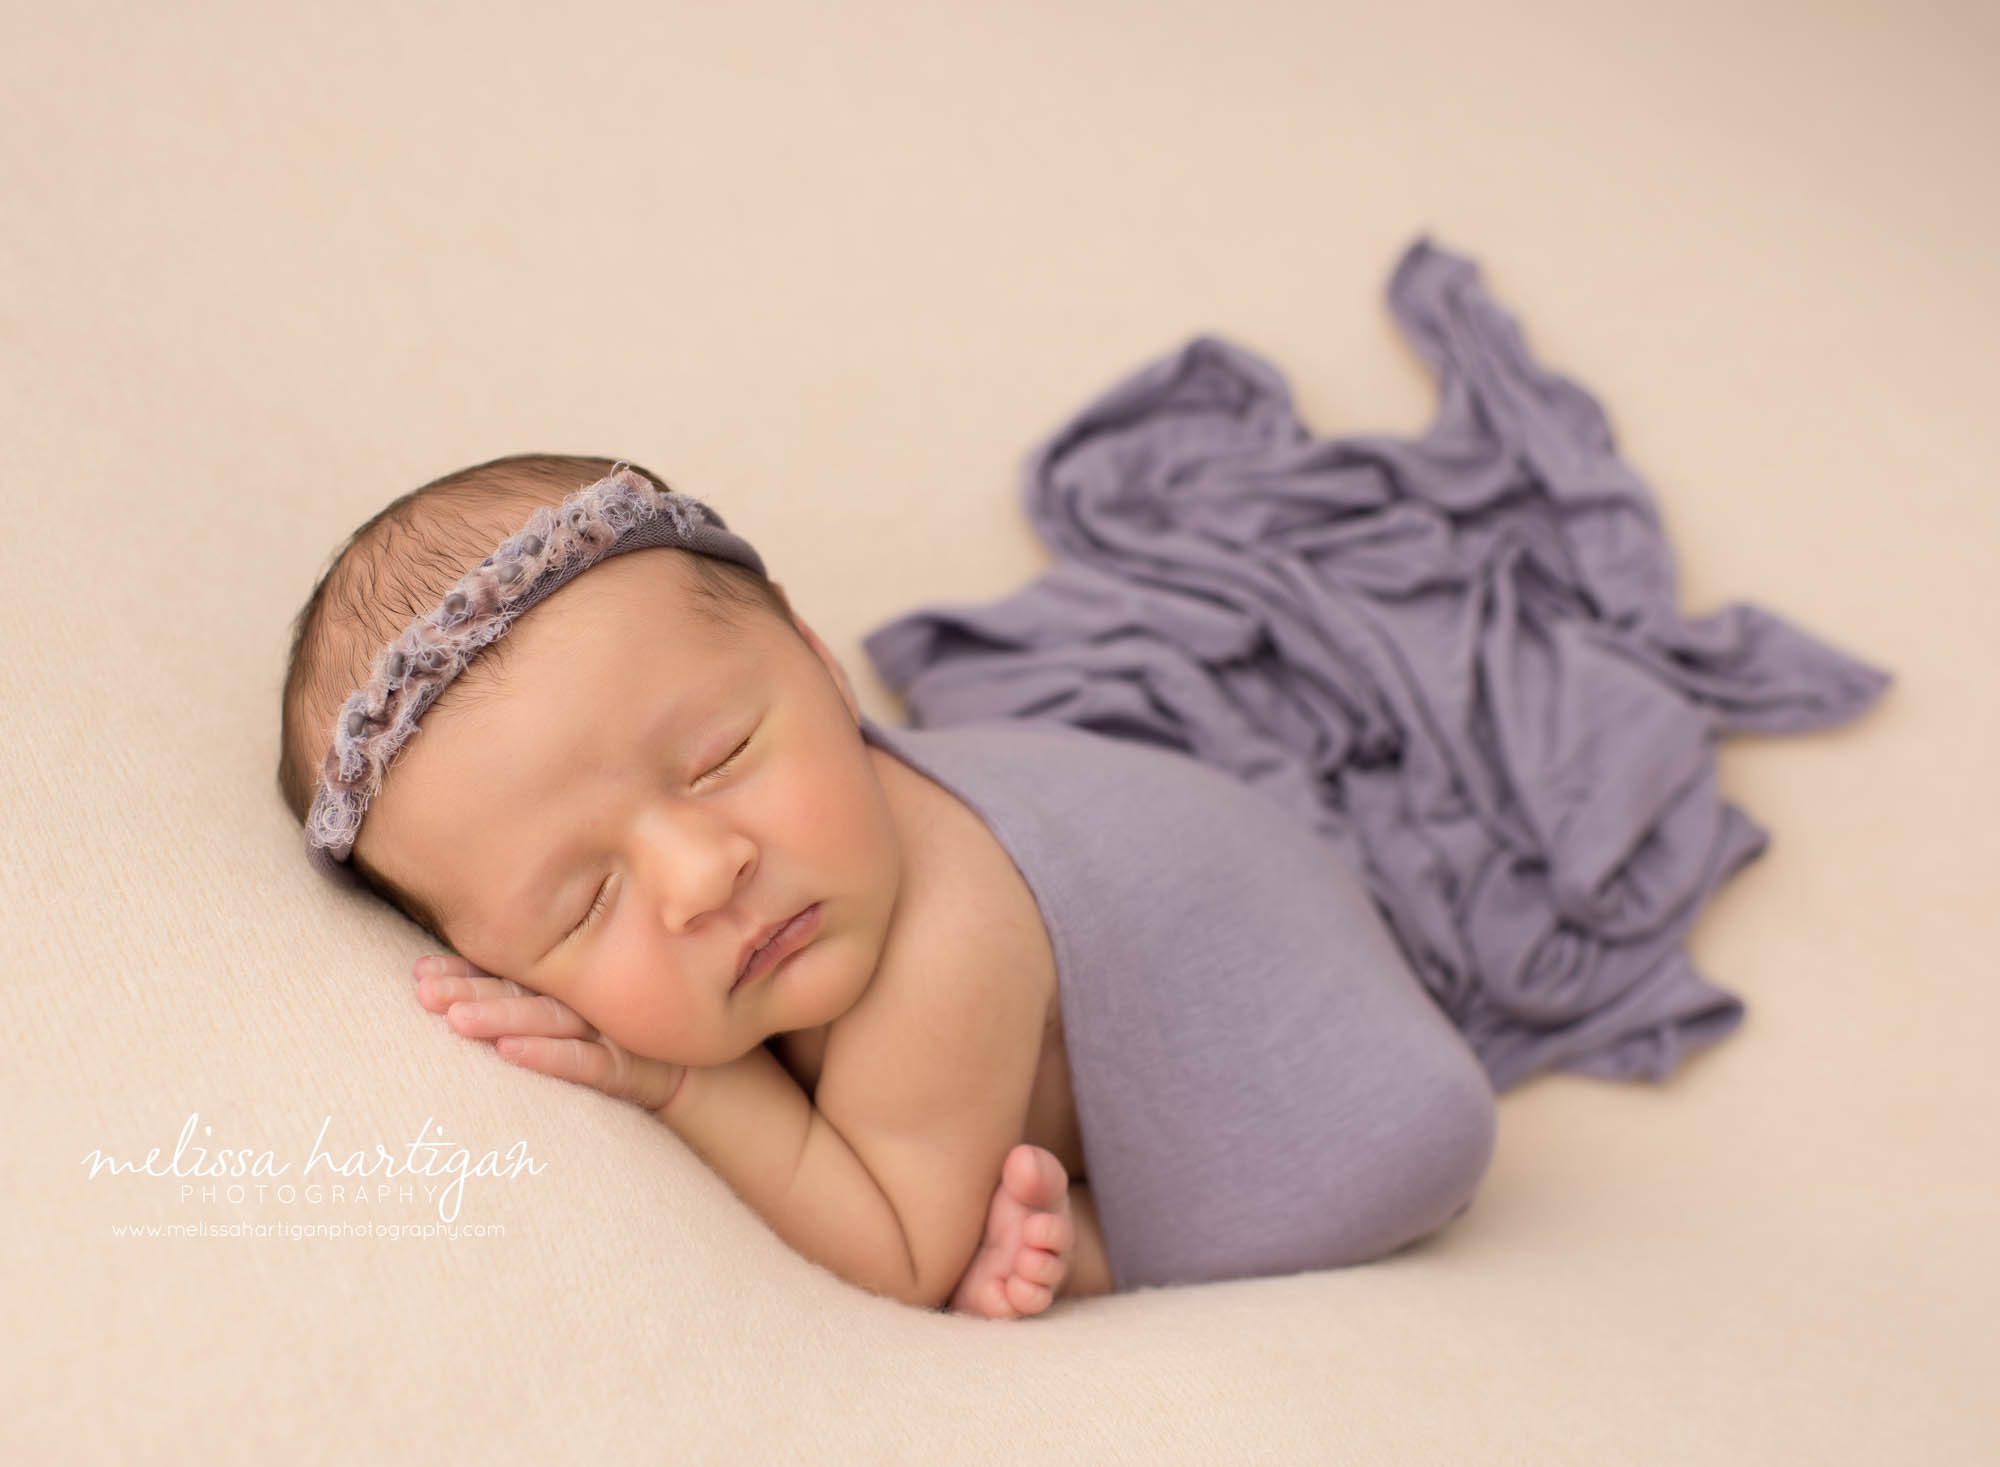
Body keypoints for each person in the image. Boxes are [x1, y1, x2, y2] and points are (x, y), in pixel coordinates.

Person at [278, 453, 1496, 1315]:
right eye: (584, 902)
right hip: (1184, 888)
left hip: (1312, 1044)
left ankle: (1105, 1247)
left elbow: (903, 1255)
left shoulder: (940, 943)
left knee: (1403, 1155)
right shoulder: (812, 872)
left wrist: (674, 1082)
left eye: (720, 759)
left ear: (818, 660)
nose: (702, 878)